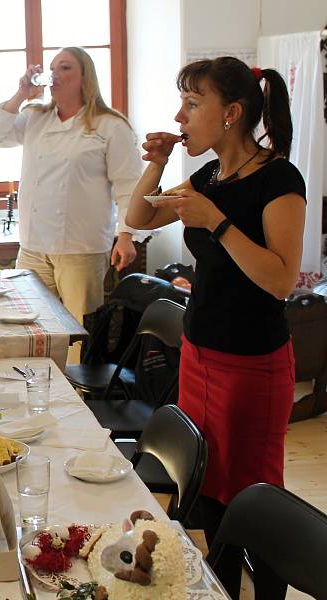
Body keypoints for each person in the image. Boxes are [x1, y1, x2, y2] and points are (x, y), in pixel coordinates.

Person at [125, 57, 305, 596]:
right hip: (201, 354)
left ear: (230, 114)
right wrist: (155, 164)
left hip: (252, 364)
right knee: (205, 488)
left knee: (251, 499)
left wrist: (218, 223)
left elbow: (280, 279)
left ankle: (268, 592)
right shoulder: (208, 175)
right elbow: (141, 217)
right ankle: (221, 587)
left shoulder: (277, 178)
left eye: (191, 103)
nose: (179, 116)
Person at [0, 47, 142, 358]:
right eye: (53, 68)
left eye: (65, 67)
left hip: (80, 247)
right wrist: (20, 94)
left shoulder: (109, 125)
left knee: (78, 333)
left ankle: (78, 399)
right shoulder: (34, 116)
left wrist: (127, 234)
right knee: (26, 326)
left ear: (84, 78)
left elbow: (128, 186)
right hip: (33, 246)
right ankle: (32, 390)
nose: (55, 74)